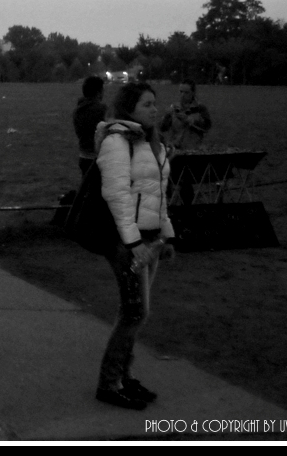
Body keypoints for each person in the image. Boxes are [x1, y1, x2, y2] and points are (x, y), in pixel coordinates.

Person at [94, 81, 176, 411]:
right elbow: (116, 195)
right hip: (128, 242)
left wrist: (166, 235)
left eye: (155, 103)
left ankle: (124, 377)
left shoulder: (152, 143)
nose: (154, 109)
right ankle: (109, 384)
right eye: (146, 104)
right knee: (134, 313)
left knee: (134, 313)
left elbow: (159, 195)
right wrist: (133, 243)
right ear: (129, 107)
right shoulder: (118, 141)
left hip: (150, 239)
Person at [159, 80, 212, 205]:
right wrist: (167, 116)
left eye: (186, 92)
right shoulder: (174, 107)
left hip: (191, 152)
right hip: (174, 151)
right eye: (180, 92)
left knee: (186, 183)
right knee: (166, 179)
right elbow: (163, 128)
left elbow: (206, 127)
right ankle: (168, 205)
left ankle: (187, 207)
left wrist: (189, 120)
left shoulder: (200, 108)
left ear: (193, 92)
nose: (182, 95)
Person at [74, 76, 108, 175]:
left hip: (83, 156)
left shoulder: (78, 110)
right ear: (98, 92)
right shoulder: (101, 110)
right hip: (98, 158)